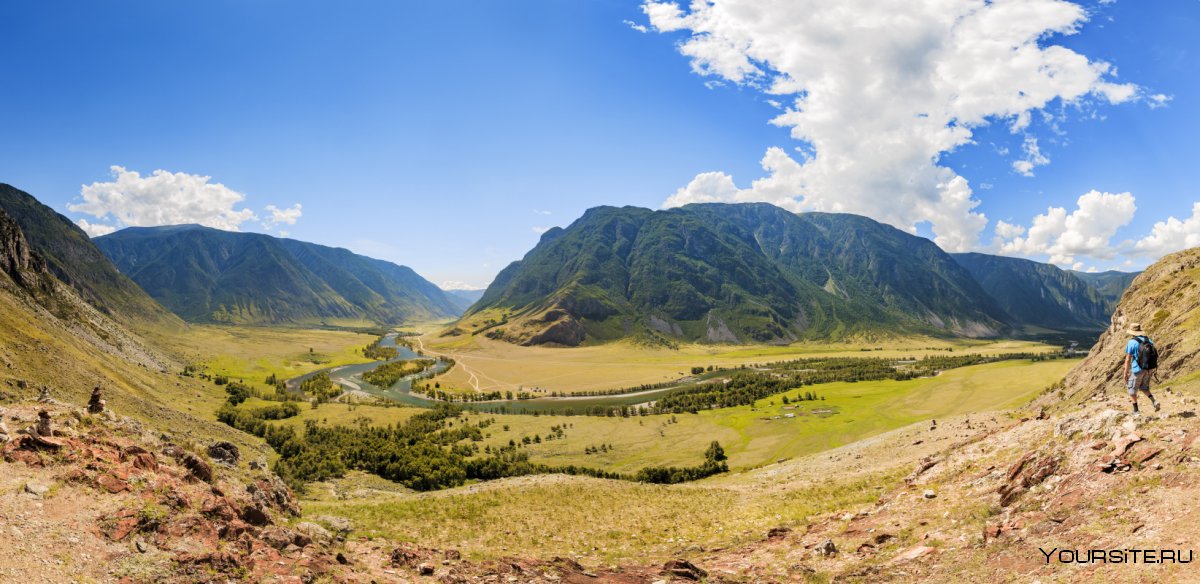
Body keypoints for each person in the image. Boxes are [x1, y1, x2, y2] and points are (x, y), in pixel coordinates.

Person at [1123, 323, 1159, 415]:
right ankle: (1154, 402)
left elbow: (1128, 360)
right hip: (1148, 368)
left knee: (1131, 390)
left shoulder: (1131, 342)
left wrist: (1125, 373)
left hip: (1137, 370)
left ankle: (1136, 411)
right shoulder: (1148, 340)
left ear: (1132, 332)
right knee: (1144, 387)